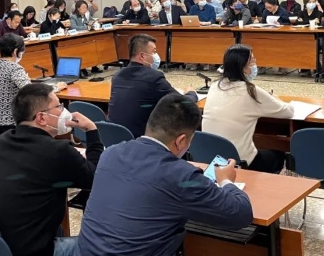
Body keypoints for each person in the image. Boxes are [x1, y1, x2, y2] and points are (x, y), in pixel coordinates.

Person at [78, 93, 253, 256]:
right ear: (181, 141)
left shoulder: (111, 153)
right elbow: (241, 215)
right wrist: (225, 180)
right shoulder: (181, 176)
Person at [0, 83, 103, 256]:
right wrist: (91, 130)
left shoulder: (3, 140)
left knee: (56, 227)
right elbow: (96, 177)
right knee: (103, 245)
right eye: (58, 106)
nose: (64, 111)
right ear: (41, 118)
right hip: (28, 251)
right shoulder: (57, 151)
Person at [203, 44, 293, 172]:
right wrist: (274, 98)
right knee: (280, 155)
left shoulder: (215, 85)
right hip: (240, 162)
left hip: (210, 158)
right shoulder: (250, 91)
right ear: (244, 68)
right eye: (253, 61)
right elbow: (288, 111)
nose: (255, 65)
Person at [109, 34, 197, 138]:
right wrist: (191, 93)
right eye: (153, 52)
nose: (156, 56)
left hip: (113, 137)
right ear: (142, 56)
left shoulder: (117, 76)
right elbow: (181, 102)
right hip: (141, 138)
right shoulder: (153, 77)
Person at [0, 34, 67, 135]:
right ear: (15, 51)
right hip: (9, 122)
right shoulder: (14, 68)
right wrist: (55, 87)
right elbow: (31, 91)